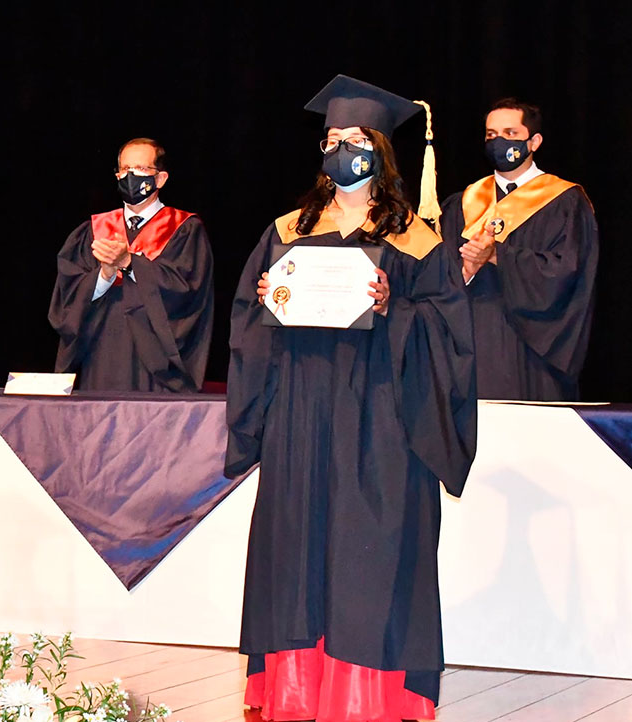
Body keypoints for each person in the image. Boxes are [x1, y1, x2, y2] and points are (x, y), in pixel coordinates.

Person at [226, 76, 477, 721]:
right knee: (297, 541)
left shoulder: (414, 236)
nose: (341, 150)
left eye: (356, 141)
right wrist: (264, 306)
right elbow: (249, 319)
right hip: (303, 411)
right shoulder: (289, 228)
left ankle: (368, 697)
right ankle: (294, 691)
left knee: (372, 540)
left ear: (380, 153)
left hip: (382, 413)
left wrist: (396, 312)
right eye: (333, 139)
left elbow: (449, 330)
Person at [440, 98, 598, 401]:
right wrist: (466, 271)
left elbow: (567, 271)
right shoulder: (463, 203)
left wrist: (499, 256)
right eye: (490, 134)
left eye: (510, 133)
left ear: (534, 141)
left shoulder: (564, 201)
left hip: (534, 350)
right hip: (473, 343)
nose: (498, 141)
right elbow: (441, 278)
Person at [49, 138, 214, 392]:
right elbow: (67, 296)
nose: (130, 177)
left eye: (140, 169)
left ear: (160, 179)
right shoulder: (94, 229)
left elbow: (188, 292)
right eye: (125, 170)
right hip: (102, 357)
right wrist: (104, 274)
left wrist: (129, 262)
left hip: (156, 366)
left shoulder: (185, 229)